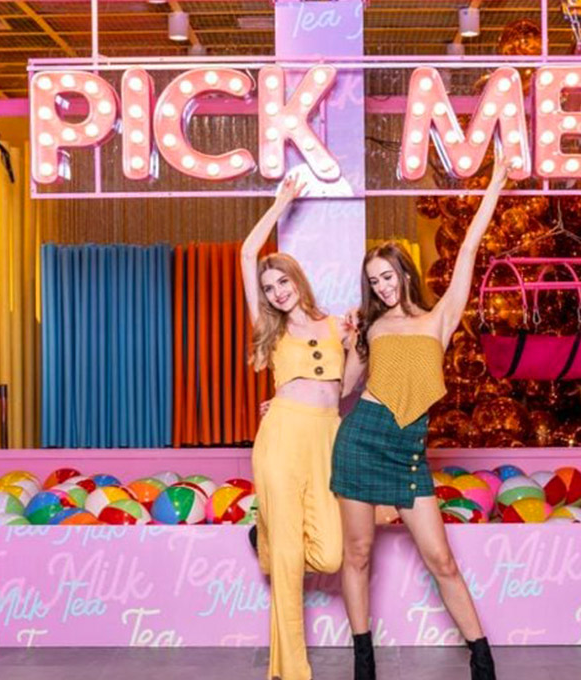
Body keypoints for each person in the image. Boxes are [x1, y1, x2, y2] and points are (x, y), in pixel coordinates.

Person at [331, 155, 510, 680]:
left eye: (388, 276)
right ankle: (364, 660)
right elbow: (343, 389)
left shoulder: (439, 318)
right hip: (361, 437)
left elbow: (470, 248)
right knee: (359, 554)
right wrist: (346, 347)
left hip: (409, 451)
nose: (383, 286)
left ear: (405, 272)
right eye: (374, 281)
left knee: (442, 560)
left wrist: (494, 185)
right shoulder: (370, 327)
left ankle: (481, 656)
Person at [241, 176, 352, 680]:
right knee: (288, 562)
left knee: (328, 553)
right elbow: (247, 255)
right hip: (282, 437)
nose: (276, 292)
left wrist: (357, 349)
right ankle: (291, 671)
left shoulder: (335, 325)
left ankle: (266, 535)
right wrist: (280, 204)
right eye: (268, 289)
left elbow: (345, 388)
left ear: (298, 280)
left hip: (327, 436)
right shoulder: (273, 328)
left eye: (282, 282)